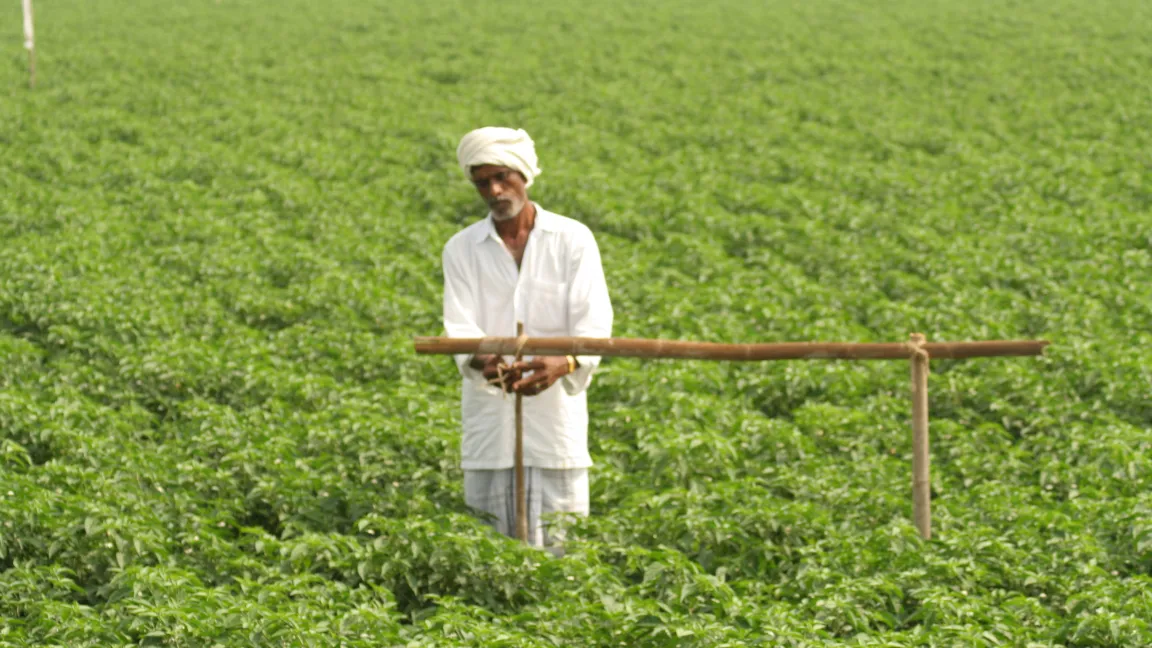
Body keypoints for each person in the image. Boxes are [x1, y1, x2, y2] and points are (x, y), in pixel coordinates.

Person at [441, 126, 613, 550]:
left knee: (563, 545)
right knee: (488, 548)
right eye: (483, 183)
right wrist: (489, 364)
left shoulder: (572, 240)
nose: (495, 191)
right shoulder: (461, 249)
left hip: (555, 423)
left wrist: (564, 363)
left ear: (524, 174)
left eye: (502, 178)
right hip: (491, 419)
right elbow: (460, 329)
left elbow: (594, 324)